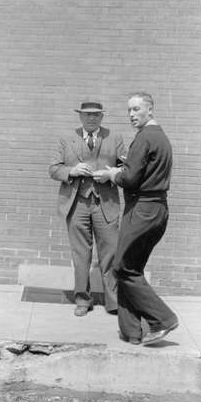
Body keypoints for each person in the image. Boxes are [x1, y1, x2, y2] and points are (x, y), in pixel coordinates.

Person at [93, 92, 179, 345]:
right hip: (157, 209)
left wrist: (113, 175)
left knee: (122, 267)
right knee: (130, 269)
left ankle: (162, 319)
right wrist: (124, 168)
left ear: (150, 110)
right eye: (129, 110)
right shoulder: (161, 137)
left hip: (142, 209)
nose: (131, 115)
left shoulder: (144, 138)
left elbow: (130, 179)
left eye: (137, 109)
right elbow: (143, 172)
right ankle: (131, 332)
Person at [49, 101, 127, 316]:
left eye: (96, 115)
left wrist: (111, 174)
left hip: (106, 204)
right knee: (80, 254)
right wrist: (72, 170)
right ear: (80, 117)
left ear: (102, 117)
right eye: (87, 115)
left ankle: (113, 302)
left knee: (110, 252)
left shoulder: (115, 138)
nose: (91, 119)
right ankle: (83, 300)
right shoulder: (67, 139)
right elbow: (54, 169)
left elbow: (126, 167)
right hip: (77, 203)